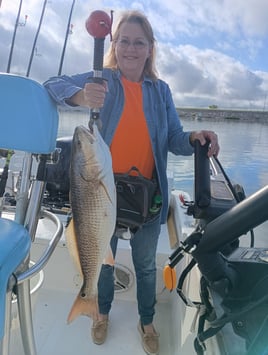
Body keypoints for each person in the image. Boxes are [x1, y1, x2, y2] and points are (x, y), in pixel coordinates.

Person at [44, 10, 219, 355]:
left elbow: (172, 138)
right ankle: (100, 312)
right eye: (124, 41)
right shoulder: (102, 79)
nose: (131, 49)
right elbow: (52, 85)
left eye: (139, 42)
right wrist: (81, 97)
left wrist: (194, 136)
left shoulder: (161, 90)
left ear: (150, 48)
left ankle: (147, 321)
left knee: (145, 266)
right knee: (103, 263)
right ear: (114, 44)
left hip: (147, 197)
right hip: (100, 196)